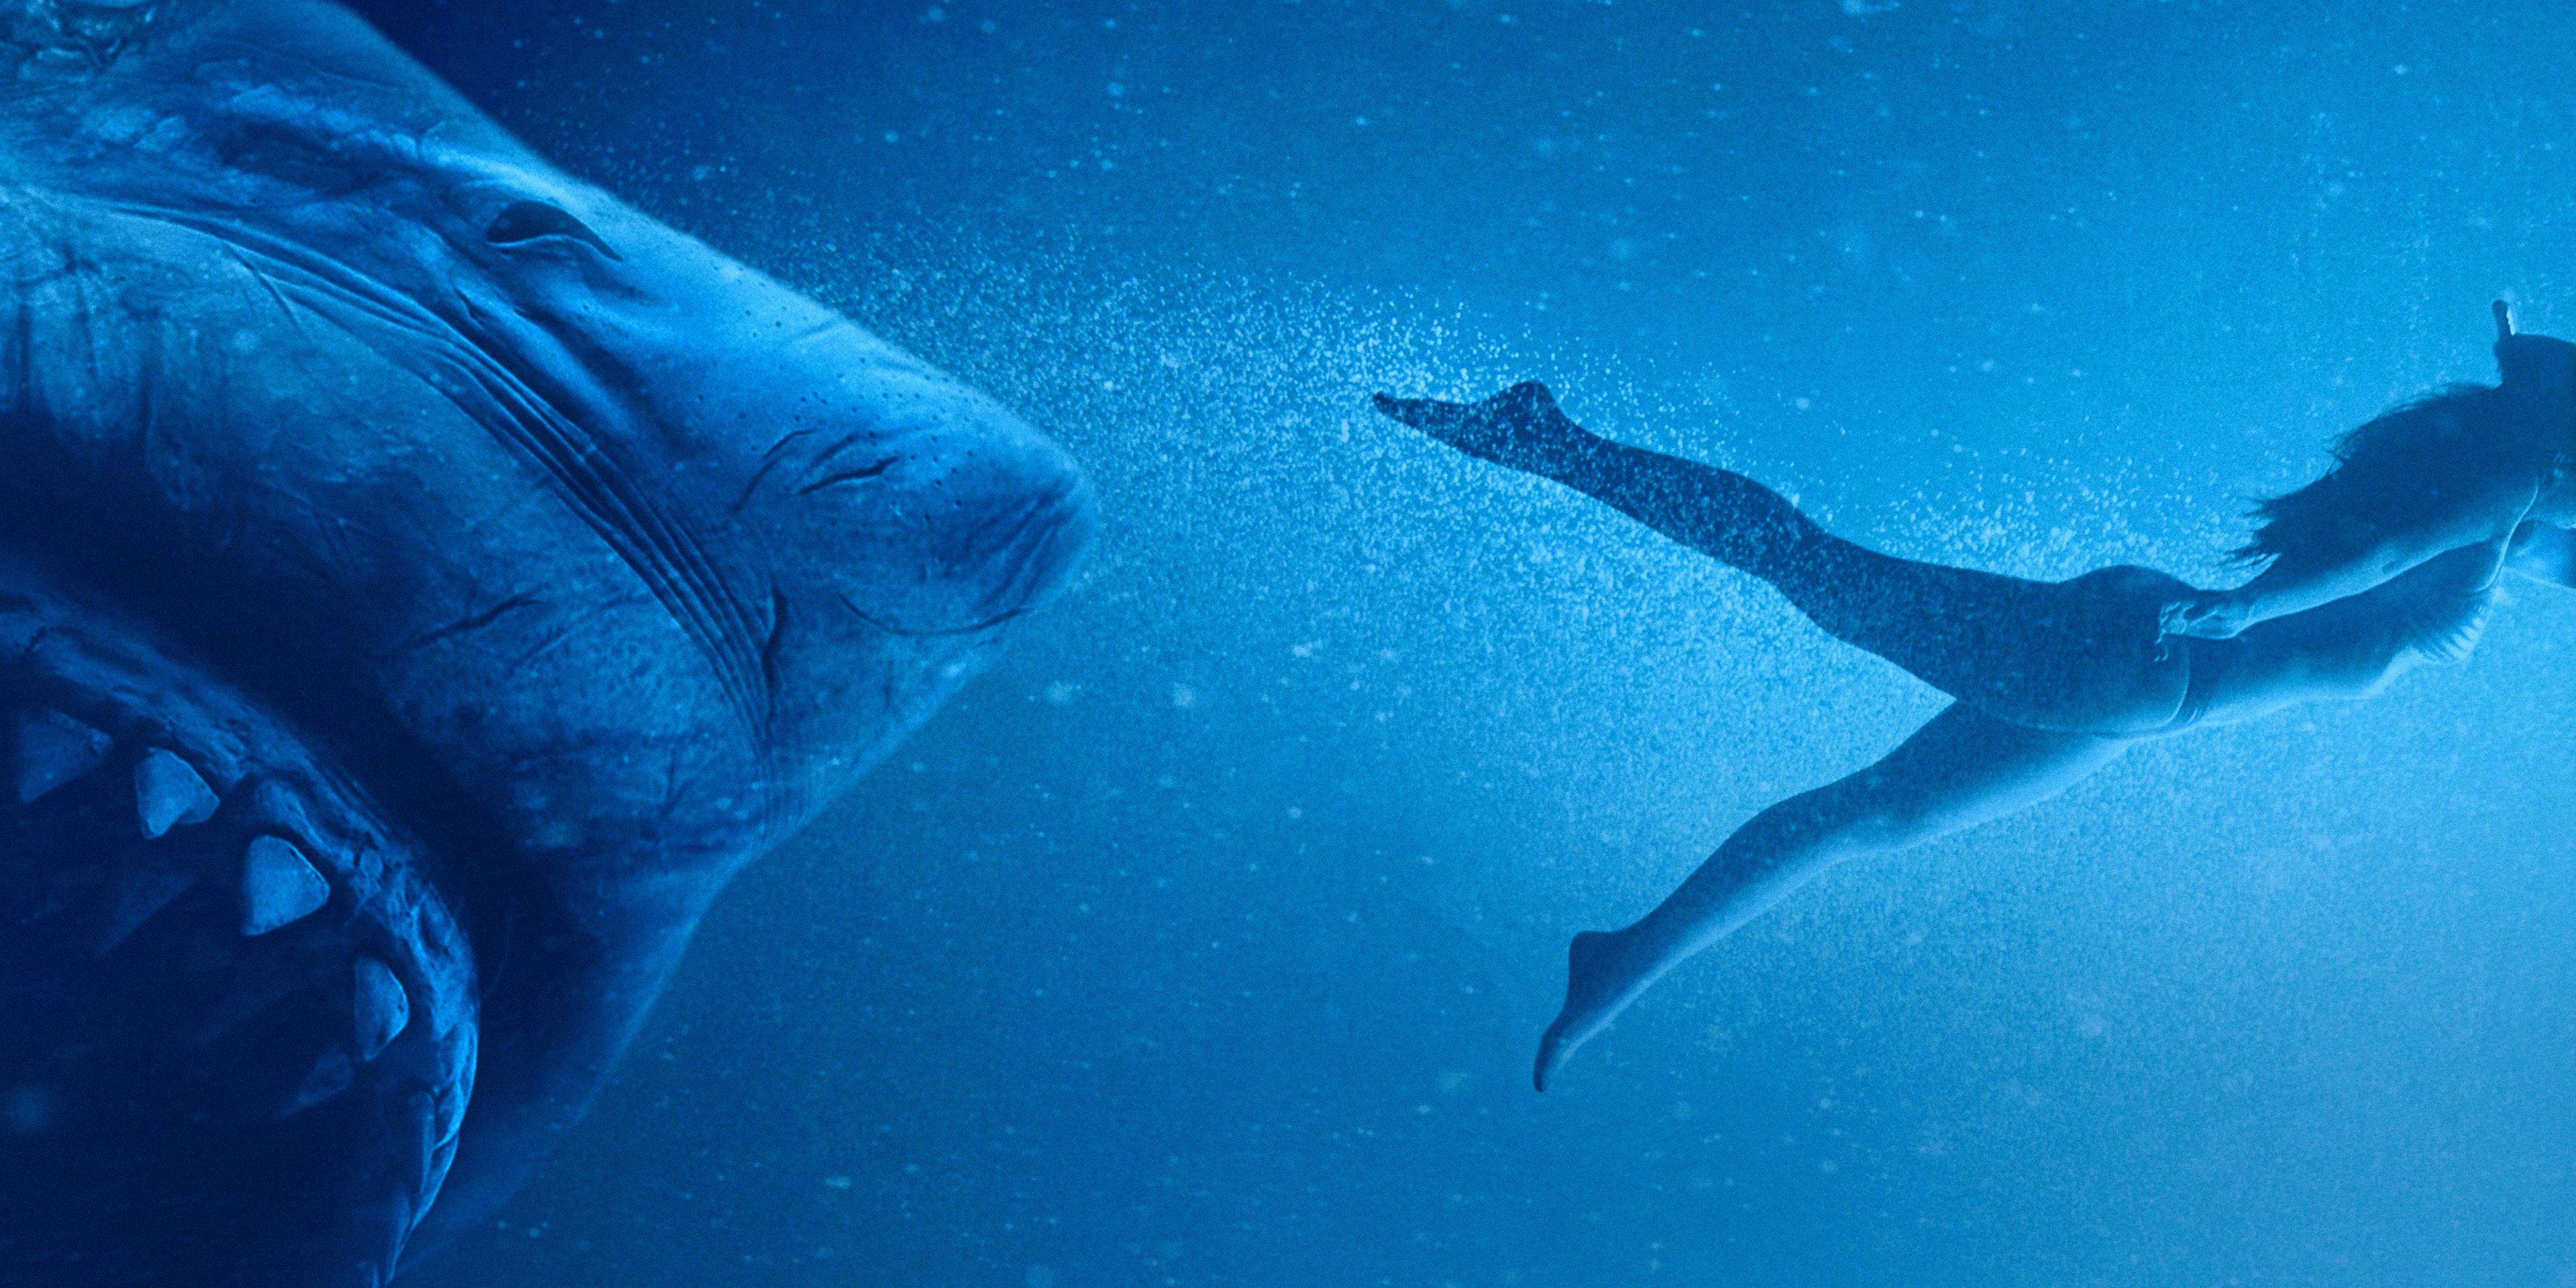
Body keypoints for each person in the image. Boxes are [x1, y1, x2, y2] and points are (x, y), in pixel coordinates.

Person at [1371, 305, 2576, 1091]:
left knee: (1870, 812)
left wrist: (2523, 357)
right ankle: (1549, 441)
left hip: (2134, 687)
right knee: (1816, 573)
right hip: (2135, 665)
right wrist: (2246, 610)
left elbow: (2504, 545)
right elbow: (2367, 560)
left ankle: (1623, 959)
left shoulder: (2524, 511)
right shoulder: (2506, 482)